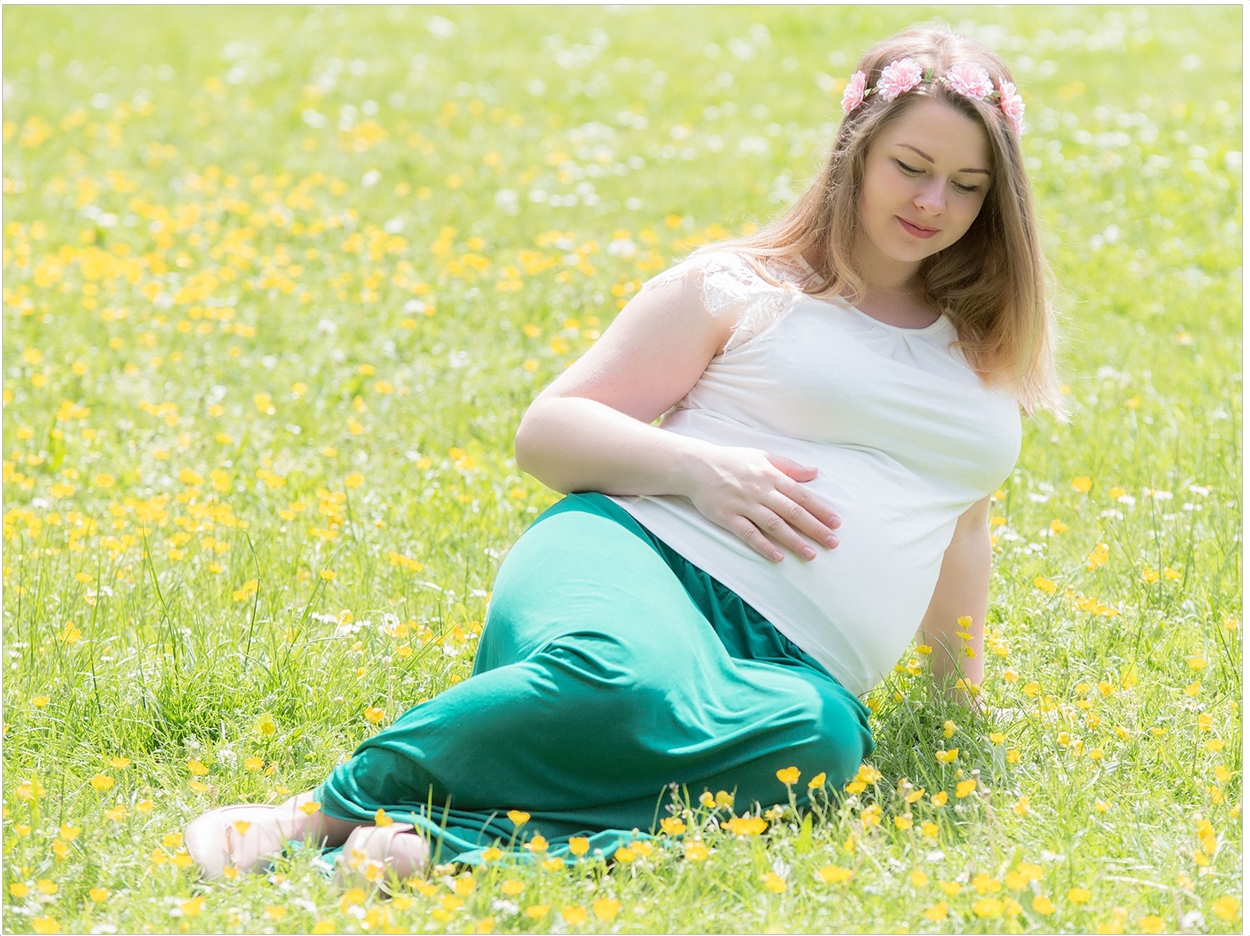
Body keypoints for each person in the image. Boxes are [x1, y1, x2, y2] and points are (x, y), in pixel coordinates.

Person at [186, 24, 1062, 885]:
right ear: (857, 153)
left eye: (967, 185)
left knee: (824, 746)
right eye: (911, 167)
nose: (932, 203)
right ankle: (313, 816)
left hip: (800, 667)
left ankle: (429, 851)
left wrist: (957, 703)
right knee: (618, 678)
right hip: (646, 556)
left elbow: (963, 523)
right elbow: (549, 429)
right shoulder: (743, 285)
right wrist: (701, 471)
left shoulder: (983, 349)